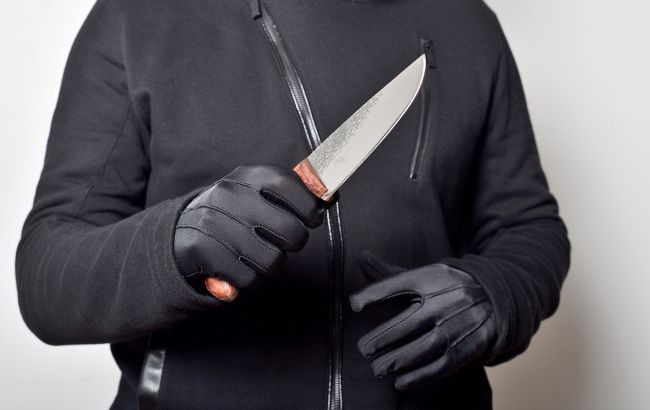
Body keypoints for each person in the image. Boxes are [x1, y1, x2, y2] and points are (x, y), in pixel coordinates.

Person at [15, 0, 570, 409]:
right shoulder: (139, 16)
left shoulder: (467, 23)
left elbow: (529, 226)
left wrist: (498, 291)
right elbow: (45, 278)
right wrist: (173, 244)